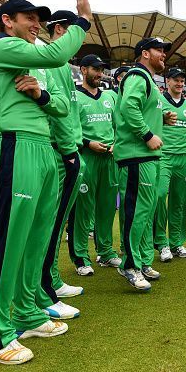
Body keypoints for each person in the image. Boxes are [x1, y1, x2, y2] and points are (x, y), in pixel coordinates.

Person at [0, 0, 92, 366]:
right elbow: (58, 51)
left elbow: (61, 107)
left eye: (39, 19)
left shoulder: (31, 62)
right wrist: (81, 21)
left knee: (37, 237)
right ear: (7, 21)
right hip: (15, 145)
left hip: (43, 148)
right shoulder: (1, 48)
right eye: (29, 18)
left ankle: (27, 313)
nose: (37, 25)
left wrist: (41, 94)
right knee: (11, 240)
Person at [32, 10, 87, 321]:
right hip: (58, 151)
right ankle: (44, 291)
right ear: (61, 30)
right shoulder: (50, 61)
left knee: (56, 224)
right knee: (49, 225)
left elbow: (68, 110)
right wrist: (68, 150)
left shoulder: (64, 66)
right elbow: (57, 112)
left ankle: (50, 280)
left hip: (67, 148)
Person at [114, 37, 175, 291]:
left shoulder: (149, 80)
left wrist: (160, 117)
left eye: (164, 51)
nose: (163, 54)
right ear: (145, 53)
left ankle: (139, 260)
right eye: (159, 50)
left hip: (147, 157)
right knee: (136, 212)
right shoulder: (138, 75)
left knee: (145, 212)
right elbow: (128, 107)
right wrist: (148, 135)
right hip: (136, 154)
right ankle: (129, 264)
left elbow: (140, 108)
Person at [68, 54, 121, 275]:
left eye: (101, 70)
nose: (99, 74)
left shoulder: (110, 96)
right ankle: (81, 257)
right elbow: (69, 129)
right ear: (83, 70)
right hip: (86, 157)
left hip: (109, 159)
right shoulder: (74, 96)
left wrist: (117, 144)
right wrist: (88, 143)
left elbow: (120, 125)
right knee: (83, 210)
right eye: (95, 69)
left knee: (108, 208)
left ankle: (106, 252)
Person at [153, 67, 186, 262]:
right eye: (175, 80)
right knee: (160, 195)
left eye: (182, 80)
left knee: (180, 200)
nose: (179, 83)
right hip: (163, 156)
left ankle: (177, 243)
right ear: (167, 81)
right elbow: (150, 123)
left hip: (181, 158)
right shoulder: (158, 101)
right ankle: (161, 243)